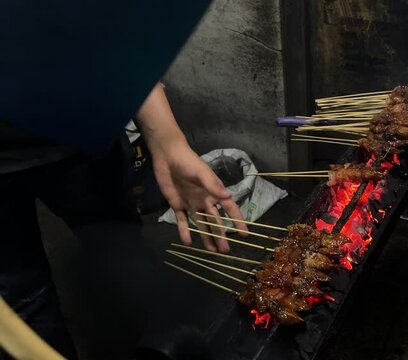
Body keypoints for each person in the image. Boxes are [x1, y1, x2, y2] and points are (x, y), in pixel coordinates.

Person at [0, 83, 248, 359]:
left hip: (83, 130)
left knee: (122, 256)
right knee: (22, 302)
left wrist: (167, 139)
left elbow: (111, 45)